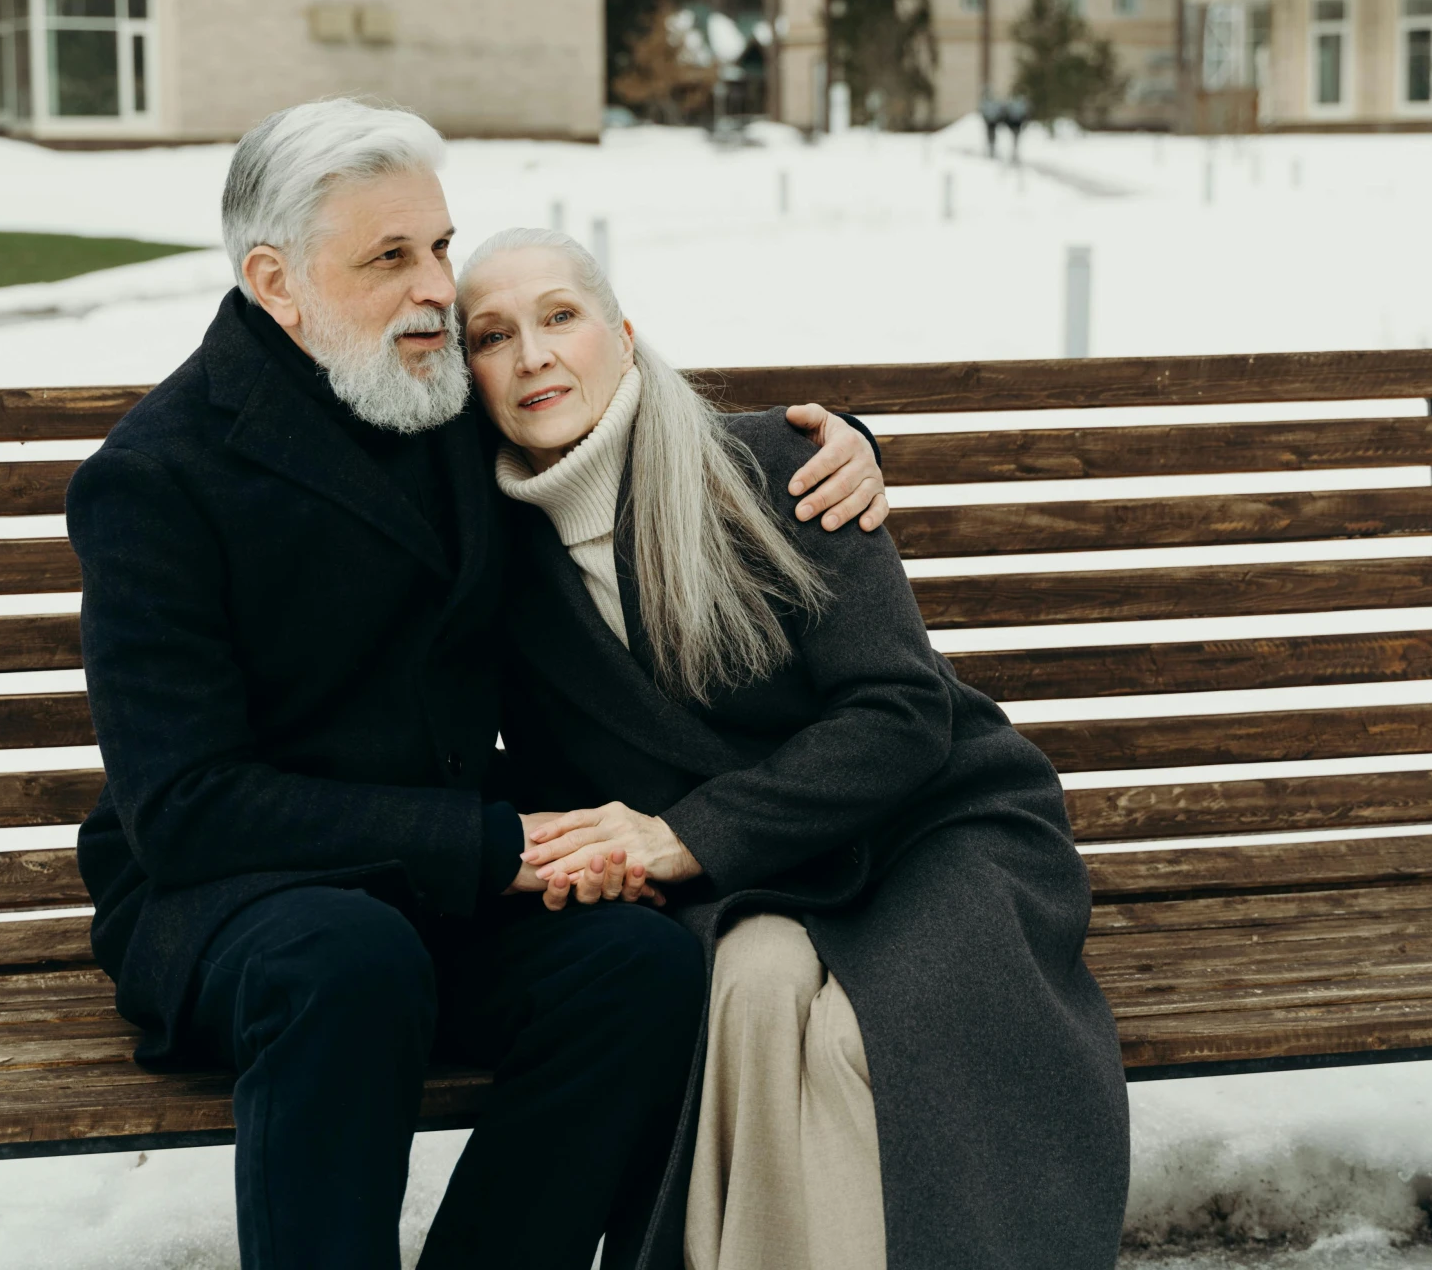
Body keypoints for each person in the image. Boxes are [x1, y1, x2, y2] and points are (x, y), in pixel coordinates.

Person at [66, 98, 891, 1270]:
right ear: (276, 280)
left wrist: (835, 442)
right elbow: (185, 806)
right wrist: (486, 842)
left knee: (642, 970)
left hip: (435, 889)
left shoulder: (434, 391)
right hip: (232, 900)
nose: (435, 289)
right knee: (347, 960)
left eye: (441, 247)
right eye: (389, 257)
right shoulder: (158, 479)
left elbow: (625, 412)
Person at [457, 228, 1133, 1270]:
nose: (533, 354)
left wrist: (684, 835)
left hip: (930, 826)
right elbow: (558, 767)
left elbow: (901, 713)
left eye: (560, 316)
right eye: (492, 335)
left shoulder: (777, 464)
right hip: (756, 877)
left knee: (864, 1041)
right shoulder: (497, 563)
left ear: (624, 336)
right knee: (752, 994)